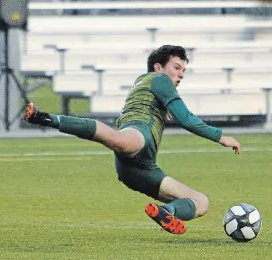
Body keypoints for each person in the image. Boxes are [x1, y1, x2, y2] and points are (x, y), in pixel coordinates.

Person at [24, 45, 241, 235]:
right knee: (118, 139)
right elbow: (186, 119)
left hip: (139, 169)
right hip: (139, 134)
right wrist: (221, 136)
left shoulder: (145, 82)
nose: (181, 74)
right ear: (158, 67)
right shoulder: (160, 79)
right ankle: (47, 118)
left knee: (201, 202)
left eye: (183, 70)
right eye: (177, 67)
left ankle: (167, 212)